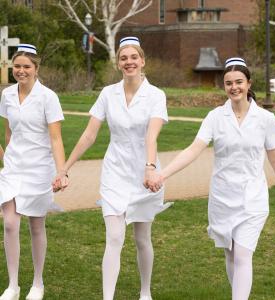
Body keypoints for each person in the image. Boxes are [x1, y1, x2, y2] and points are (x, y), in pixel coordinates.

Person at [146, 57, 275, 300]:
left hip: (252, 199)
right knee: (230, 253)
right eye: (229, 83)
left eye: (239, 82)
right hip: (222, 198)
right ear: (224, 86)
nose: (234, 87)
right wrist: (162, 174)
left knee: (242, 255)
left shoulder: (265, 119)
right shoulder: (215, 117)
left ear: (249, 84)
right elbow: (194, 149)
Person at [53, 36, 171, 300]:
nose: (129, 62)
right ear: (118, 63)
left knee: (142, 238)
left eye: (133, 57)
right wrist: (64, 169)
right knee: (114, 237)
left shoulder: (156, 95)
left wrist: (150, 168)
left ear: (142, 61)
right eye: (123, 58)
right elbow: (89, 135)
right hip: (114, 173)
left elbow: (151, 136)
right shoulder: (108, 93)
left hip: (145, 173)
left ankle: (145, 292)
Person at [0, 44, 66, 300]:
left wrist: (61, 172)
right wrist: (7, 159)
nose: (21, 71)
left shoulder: (48, 97)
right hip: (14, 168)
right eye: (17, 66)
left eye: (26, 66)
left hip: (40, 169)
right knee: (9, 224)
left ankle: (37, 284)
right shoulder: (6, 95)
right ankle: (13, 285)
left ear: (36, 69)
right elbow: (8, 131)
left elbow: (56, 138)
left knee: (36, 226)